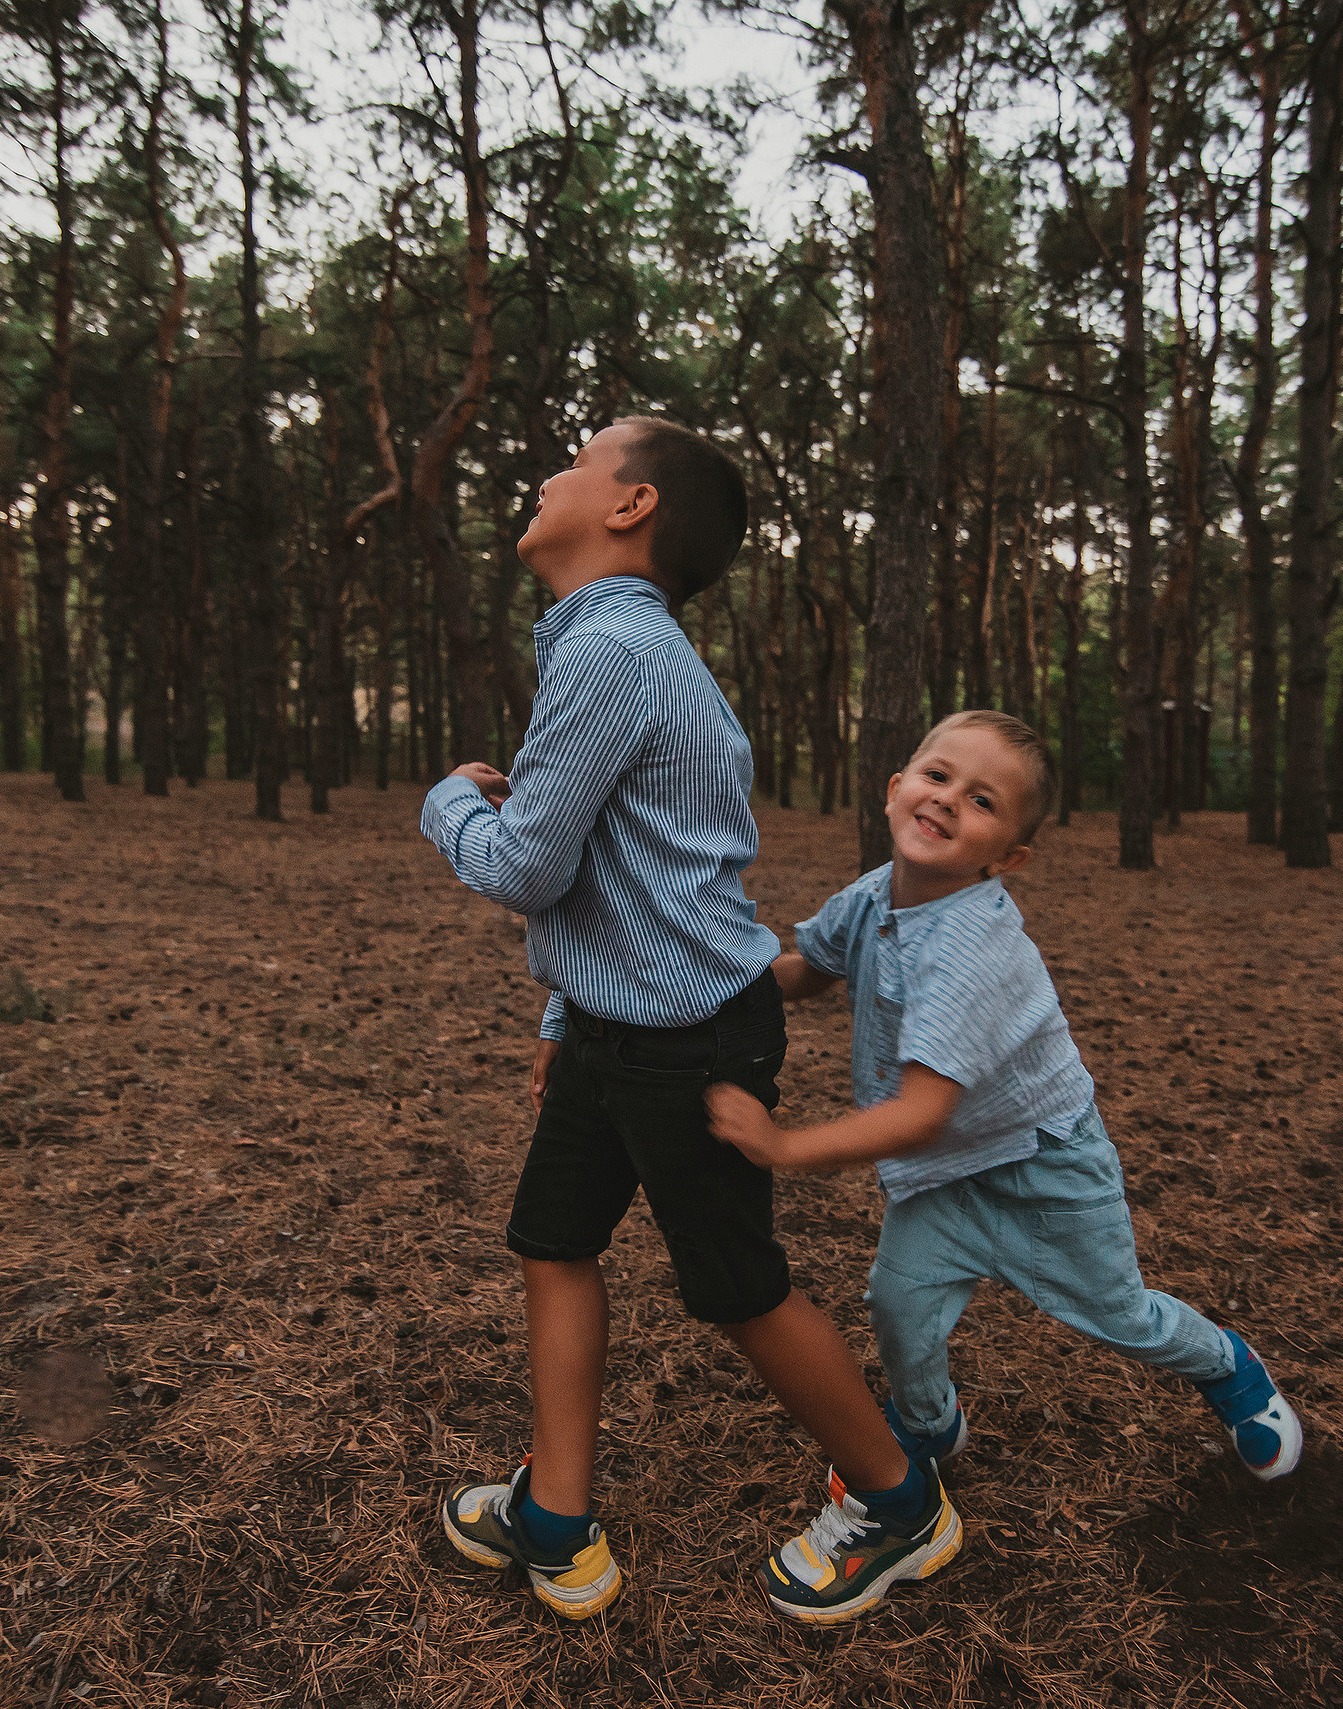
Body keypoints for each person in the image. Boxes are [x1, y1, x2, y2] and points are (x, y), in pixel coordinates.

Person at [421, 417, 962, 1626]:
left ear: (629, 507)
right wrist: (568, 1007)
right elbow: (626, 872)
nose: (549, 470)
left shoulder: (614, 652)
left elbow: (525, 864)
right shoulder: (612, 648)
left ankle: (897, 1498)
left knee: (735, 1285)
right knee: (553, 1239)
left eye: (575, 459)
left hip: (691, 1042)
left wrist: (443, 803)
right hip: (619, 1026)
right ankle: (557, 1515)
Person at [706, 710, 1304, 1500]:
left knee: (1120, 1314)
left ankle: (1231, 1368)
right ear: (894, 791)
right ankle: (927, 1421)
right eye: (938, 776)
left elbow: (922, 1111)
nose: (950, 800)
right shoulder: (873, 895)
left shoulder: (970, 948)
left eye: (983, 801)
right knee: (898, 1301)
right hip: (944, 1175)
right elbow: (814, 968)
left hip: (1042, 1160)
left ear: (1009, 856)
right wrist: (719, 988)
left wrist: (782, 1146)